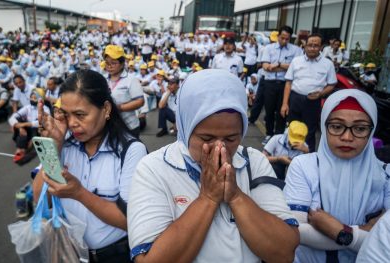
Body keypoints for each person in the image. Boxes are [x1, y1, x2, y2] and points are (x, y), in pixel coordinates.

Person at [128, 69, 299, 262]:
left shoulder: (254, 162)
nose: (219, 147)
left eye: (231, 138)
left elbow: (284, 251)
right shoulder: (153, 168)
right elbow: (147, 259)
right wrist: (208, 198)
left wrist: (236, 196)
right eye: (206, 138)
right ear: (185, 127)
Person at [33, 69, 148, 263]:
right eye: (66, 115)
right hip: (70, 252)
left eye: (80, 115)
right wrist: (54, 147)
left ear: (106, 109)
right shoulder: (64, 143)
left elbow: (130, 221)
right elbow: (40, 199)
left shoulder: (131, 151)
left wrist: (79, 193)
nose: (72, 124)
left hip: (113, 256)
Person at [283, 89, 390, 262]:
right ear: (324, 126)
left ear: (372, 131)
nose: (347, 137)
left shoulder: (385, 175)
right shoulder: (304, 166)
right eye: (337, 127)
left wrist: (340, 231)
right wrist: (364, 232)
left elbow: (387, 245)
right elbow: (293, 232)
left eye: (360, 128)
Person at [281, 34, 337, 152]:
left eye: (316, 45)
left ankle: (309, 157)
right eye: (310, 45)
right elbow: (288, 83)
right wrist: (285, 104)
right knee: (292, 127)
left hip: (313, 101)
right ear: (304, 46)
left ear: (321, 47)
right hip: (295, 99)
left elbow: (332, 84)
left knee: (310, 131)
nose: (312, 48)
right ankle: (290, 154)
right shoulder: (296, 61)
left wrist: (321, 94)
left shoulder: (328, 64)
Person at [261, 26, 303, 145]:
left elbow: (295, 68)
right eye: (282, 38)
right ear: (278, 36)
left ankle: (278, 136)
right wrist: (285, 66)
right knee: (269, 110)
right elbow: (265, 67)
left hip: (286, 85)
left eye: (287, 39)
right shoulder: (269, 48)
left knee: (282, 111)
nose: (284, 41)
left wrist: (277, 65)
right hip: (270, 84)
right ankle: (269, 134)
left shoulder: (296, 50)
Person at [103, 45, 145, 138]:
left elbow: (140, 101)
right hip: (109, 127)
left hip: (129, 126)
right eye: (107, 63)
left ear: (122, 63)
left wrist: (118, 108)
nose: (109, 66)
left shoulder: (131, 79)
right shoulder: (103, 79)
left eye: (113, 63)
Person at [9, 88, 50, 163]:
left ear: (41, 99)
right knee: (21, 128)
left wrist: (25, 124)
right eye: (31, 97)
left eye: (35, 98)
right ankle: (20, 148)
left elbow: (42, 122)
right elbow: (13, 117)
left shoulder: (46, 109)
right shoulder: (27, 107)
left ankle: (25, 148)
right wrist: (19, 126)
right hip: (27, 129)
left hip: (38, 130)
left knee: (35, 131)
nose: (32, 99)